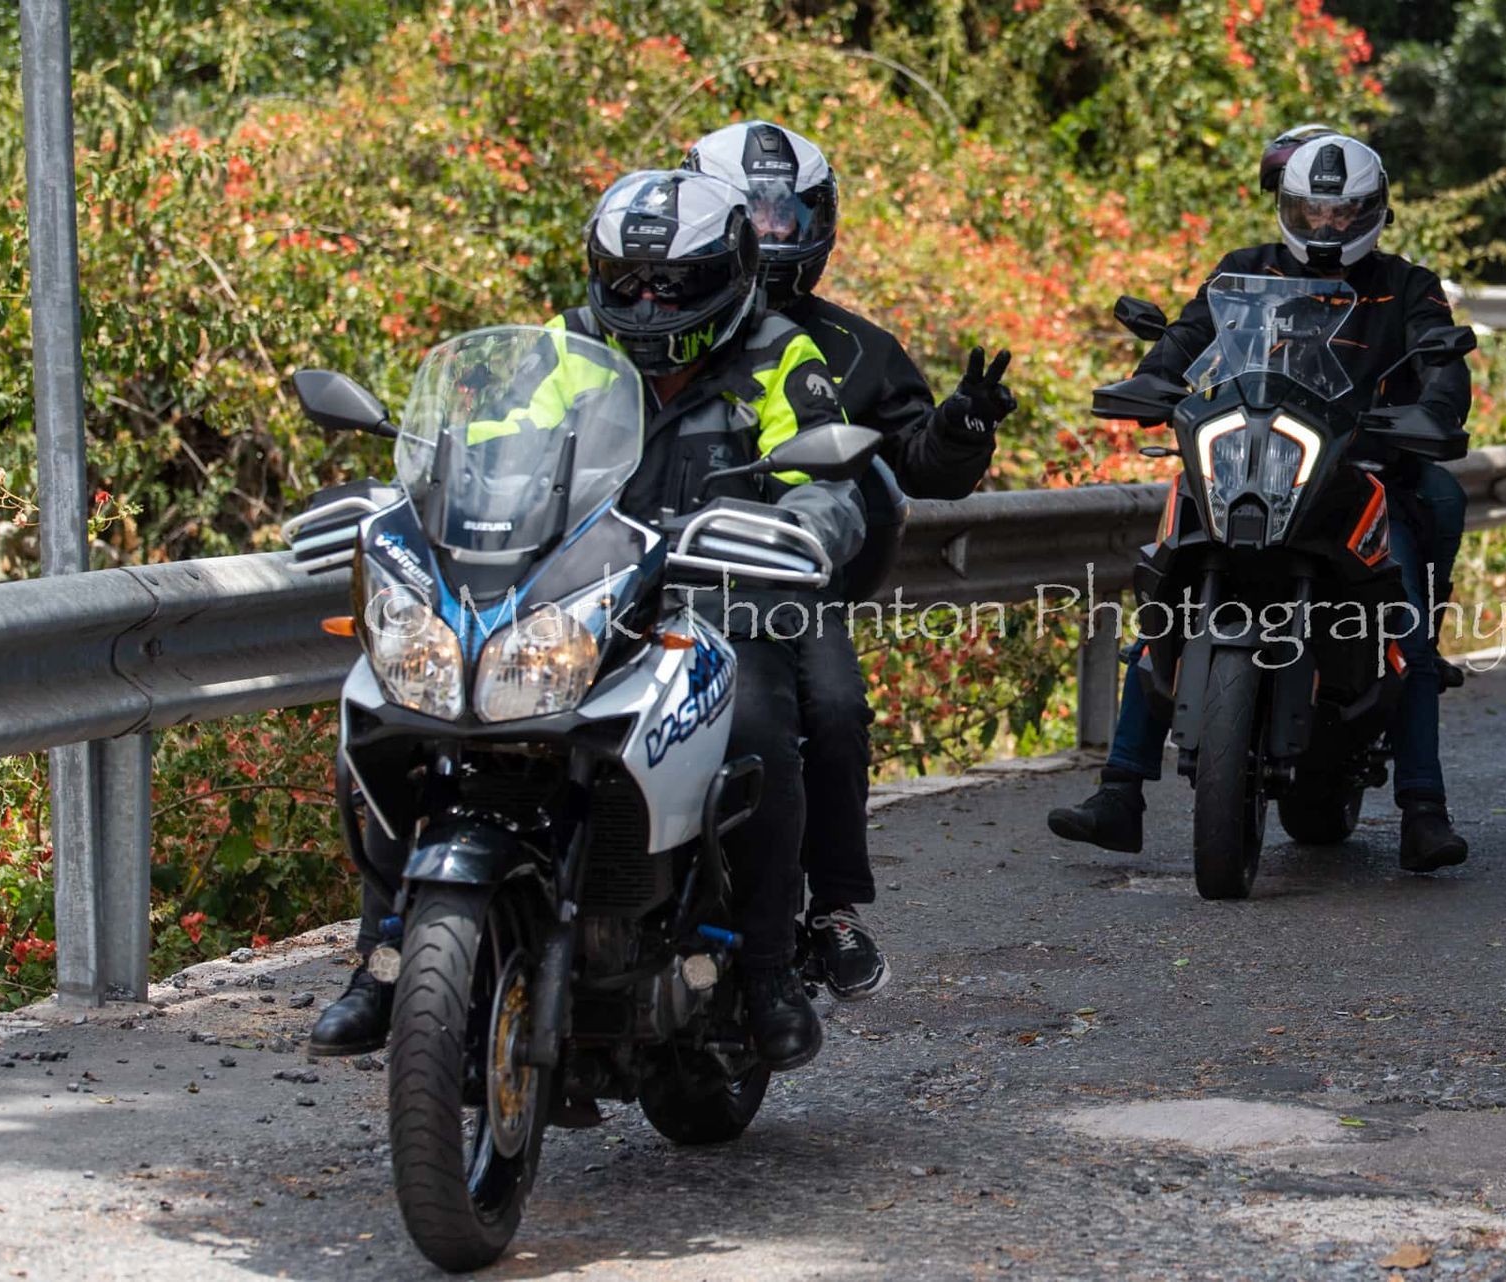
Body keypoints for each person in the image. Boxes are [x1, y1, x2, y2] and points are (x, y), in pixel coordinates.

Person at [310, 169, 862, 1073]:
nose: (647, 303)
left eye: (672, 284)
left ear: (729, 273)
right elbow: (493, 443)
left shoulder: (777, 354)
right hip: (577, 594)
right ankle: (383, 961)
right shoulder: (570, 345)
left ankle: (766, 972)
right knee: (412, 713)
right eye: (627, 281)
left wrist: (796, 522)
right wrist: (426, 484)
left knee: (762, 730)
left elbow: (827, 485)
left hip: (713, 599)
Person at [1046, 131, 1474, 873]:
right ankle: (1119, 793)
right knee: (1165, 592)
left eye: (1344, 213)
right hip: (1250, 461)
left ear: (1375, 211)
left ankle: (1423, 809)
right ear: (1286, 206)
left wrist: (1435, 406)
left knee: (1406, 621)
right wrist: (1154, 380)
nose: (1326, 227)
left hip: (1358, 472)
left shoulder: (1409, 285)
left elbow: (1439, 351)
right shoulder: (1242, 271)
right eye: (1310, 211)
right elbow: (1186, 336)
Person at [683, 120, 1016, 999]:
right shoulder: (639, 328)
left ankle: (832, 907)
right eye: (752, 212)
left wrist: (959, 426)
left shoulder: (856, 348)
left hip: (787, 588)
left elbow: (919, 466)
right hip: (644, 575)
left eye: (789, 211)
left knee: (833, 706)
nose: (774, 231)